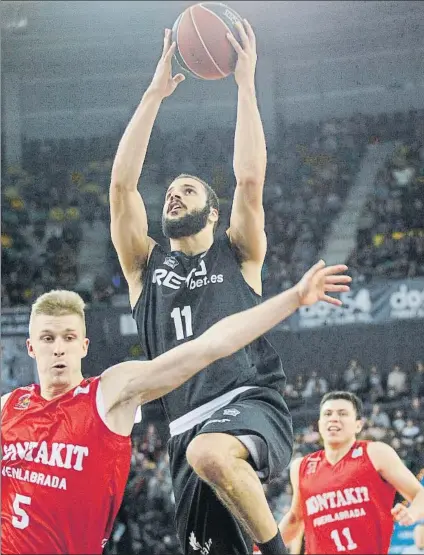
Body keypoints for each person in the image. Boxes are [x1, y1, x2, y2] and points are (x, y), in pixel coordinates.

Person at [109, 17, 352, 555]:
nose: (174, 196)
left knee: (211, 454)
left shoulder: (239, 254)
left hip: (248, 397)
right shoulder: (143, 268)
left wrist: (245, 85)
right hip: (182, 429)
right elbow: (122, 185)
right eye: (170, 191)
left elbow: (250, 178)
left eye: (188, 190)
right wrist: (154, 93)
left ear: (213, 214)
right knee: (205, 488)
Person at [1, 263, 349, 555]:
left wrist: (294, 298)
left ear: (84, 345)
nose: (58, 348)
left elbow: (209, 346)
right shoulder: (8, 409)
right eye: (48, 339)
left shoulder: (109, 393)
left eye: (68, 338)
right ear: (31, 347)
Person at [278, 391, 424, 554]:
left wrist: (412, 513)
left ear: (358, 425)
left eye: (342, 413)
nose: (334, 418)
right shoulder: (301, 466)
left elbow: (420, 494)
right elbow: (295, 519)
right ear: (319, 424)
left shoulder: (376, 453)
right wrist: (260, 548)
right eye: (328, 414)